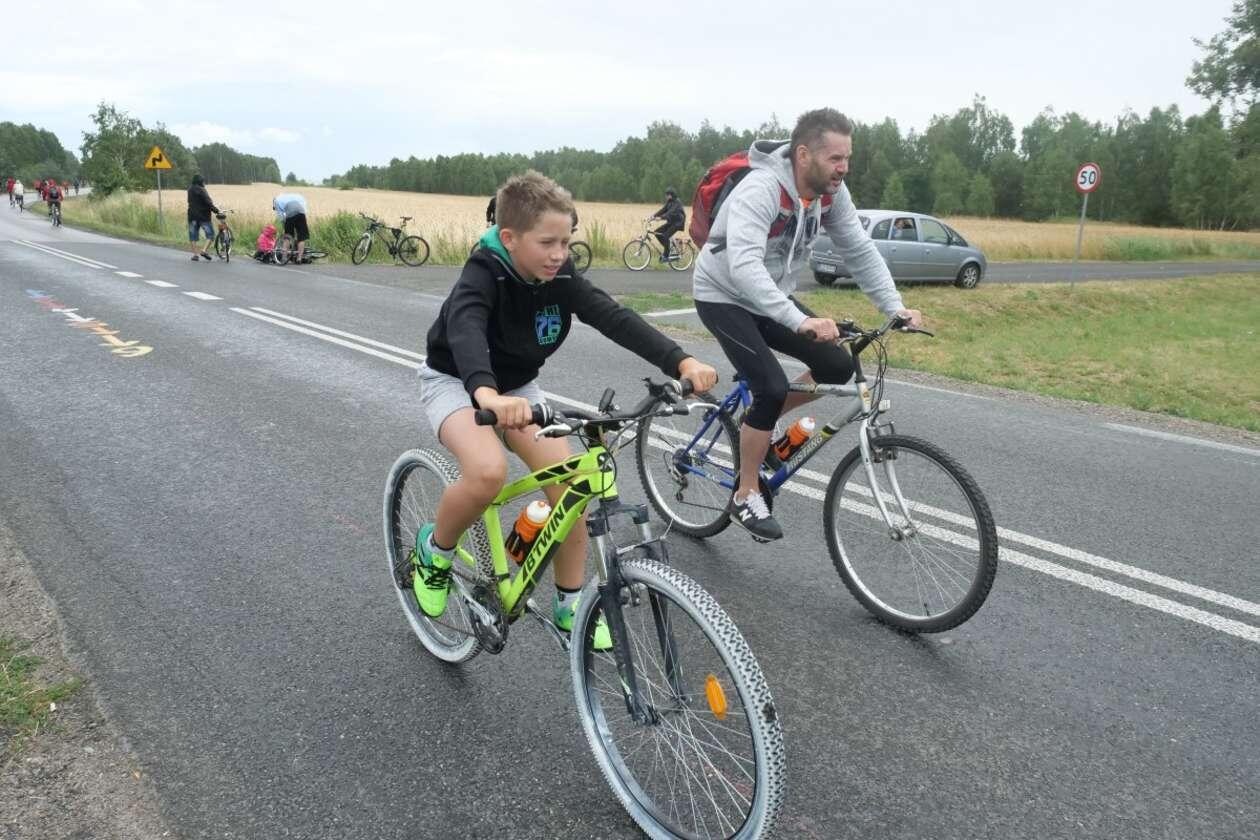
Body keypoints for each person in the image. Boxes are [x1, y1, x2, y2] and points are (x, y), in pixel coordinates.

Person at [414, 171, 718, 647]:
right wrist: (486, 394)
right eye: (547, 243)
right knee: (487, 472)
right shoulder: (483, 272)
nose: (560, 254)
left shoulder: (561, 276)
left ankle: (570, 605)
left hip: (518, 388)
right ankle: (434, 553)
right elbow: (466, 327)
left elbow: (613, 316)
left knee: (574, 485)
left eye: (567, 242)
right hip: (457, 381)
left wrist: (681, 360)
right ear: (509, 238)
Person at [692, 107, 922, 541]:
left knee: (836, 366)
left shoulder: (831, 194)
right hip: (723, 294)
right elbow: (744, 267)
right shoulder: (761, 189)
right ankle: (745, 493)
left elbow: (858, 249)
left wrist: (895, 307)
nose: (844, 168)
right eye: (835, 158)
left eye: (847, 158)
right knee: (770, 385)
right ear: (803, 155)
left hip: (770, 296)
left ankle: (759, 425)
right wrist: (800, 321)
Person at [186, 174, 220, 261]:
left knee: (193, 235)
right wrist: (216, 210)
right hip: (203, 217)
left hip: (192, 216)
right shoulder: (202, 190)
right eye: (203, 181)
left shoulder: (190, 190)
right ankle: (204, 250)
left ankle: (195, 255)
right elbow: (208, 202)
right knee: (210, 235)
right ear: (200, 181)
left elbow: (189, 201)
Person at [650, 188, 687, 262]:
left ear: (671, 195)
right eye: (666, 195)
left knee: (665, 236)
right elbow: (663, 210)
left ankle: (666, 256)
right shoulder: (669, 202)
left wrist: (661, 218)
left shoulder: (677, 202)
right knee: (657, 232)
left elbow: (670, 212)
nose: (666, 196)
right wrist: (653, 216)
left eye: (667, 195)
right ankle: (668, 249)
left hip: (678, 223)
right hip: (671, 222)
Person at [272, 192, 309, 263]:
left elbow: (281, 217)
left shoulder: (277, 201)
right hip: (301, 212)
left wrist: (285, 227)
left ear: (273, 202)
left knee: (287, 237)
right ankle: (299, 259)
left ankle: (284, 258)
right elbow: (303, 208)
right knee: (301, 237)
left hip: (290, 213)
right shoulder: (295, 196)